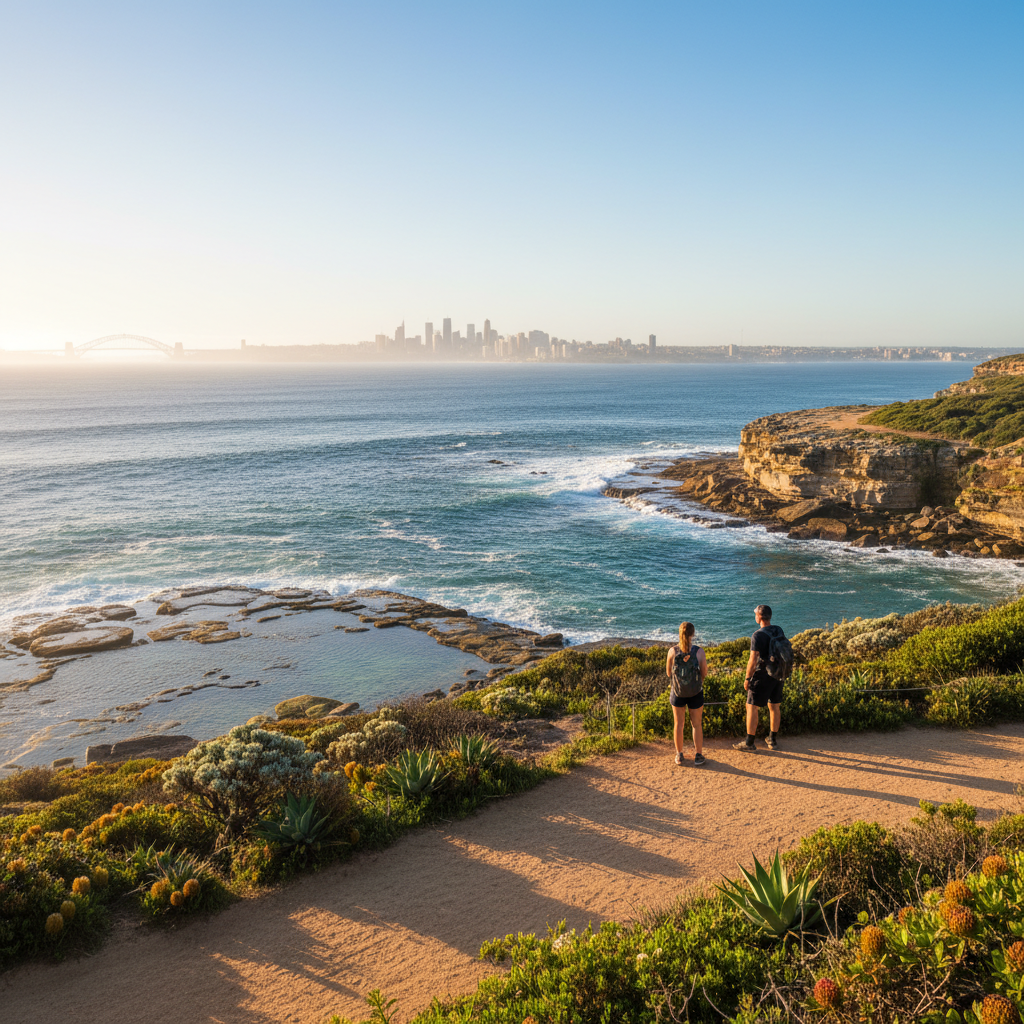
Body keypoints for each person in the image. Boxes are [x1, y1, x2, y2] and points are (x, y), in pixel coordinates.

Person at [734, 604, 785, 752]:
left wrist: (747, 678)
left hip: (762, 675)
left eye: (756, 613)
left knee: (751, 706)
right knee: (775, 706)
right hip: (778, 673)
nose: (755, 615)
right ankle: (772, 740)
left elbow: (753, 659)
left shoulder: (757, 635)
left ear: (759, 617)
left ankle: (749, 743)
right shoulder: (778, 629)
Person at [665, 622, 707, 766]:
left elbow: (668, 673)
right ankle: (699, 755)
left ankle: (679, 754)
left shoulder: (672, 651)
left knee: (679, 724)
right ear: (692, 634)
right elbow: (704, 673)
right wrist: (695, 682)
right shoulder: (699, 652)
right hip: (695, 692)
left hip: (677, 693)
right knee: (696, 725)